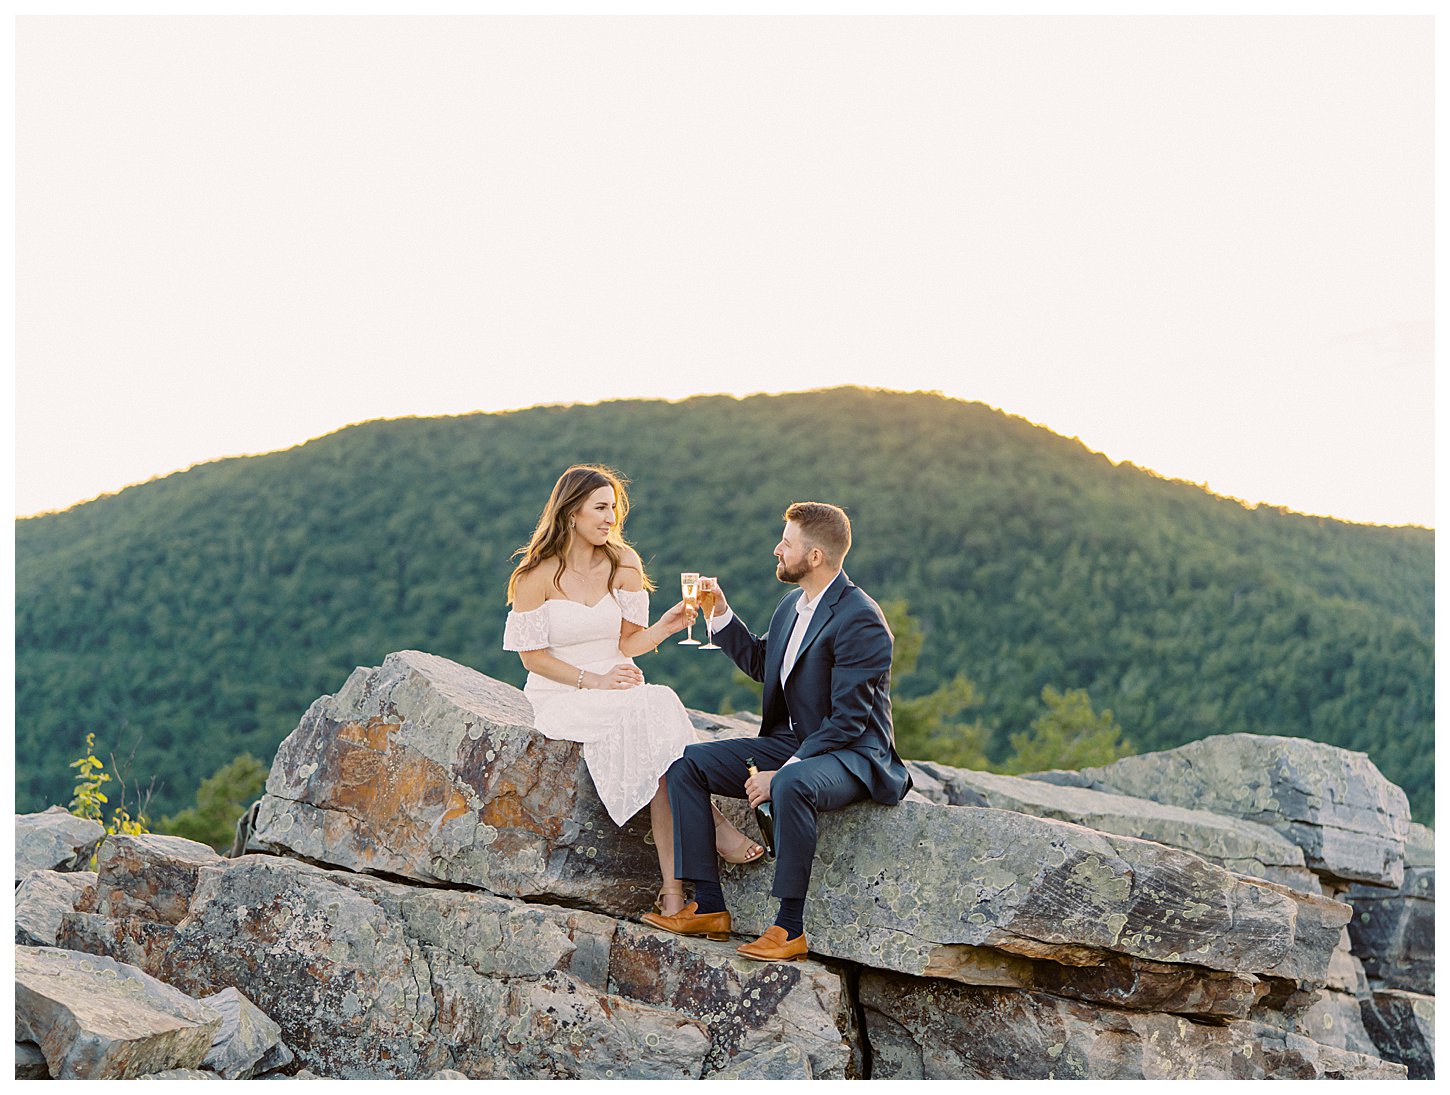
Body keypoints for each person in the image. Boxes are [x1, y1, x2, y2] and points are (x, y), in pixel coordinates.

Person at [642, 502, 912, 961]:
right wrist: (721, 613)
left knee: (789, 782)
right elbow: (762, 664)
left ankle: (789, 929)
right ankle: (707, 905)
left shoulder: (860, 618)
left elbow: (848, 721)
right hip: (798, 743)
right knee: (686, 764)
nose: (776, 550)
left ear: (815, 557)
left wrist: (782, 769)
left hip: (853, 754)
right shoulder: (793, 604)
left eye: (786, 544)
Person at [503, 465, 764, 918]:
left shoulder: (624, 564)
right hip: (562, 690)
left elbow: (627, 644)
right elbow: (532, 658)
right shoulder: (535, 575)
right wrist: (594, 681)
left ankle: (673, 896)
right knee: (654, 717)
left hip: (617, 683)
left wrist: (665, 626)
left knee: (658, 720)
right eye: (601, 508)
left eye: (615, 510)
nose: (611, 519)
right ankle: (713, 825)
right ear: (571, 513)